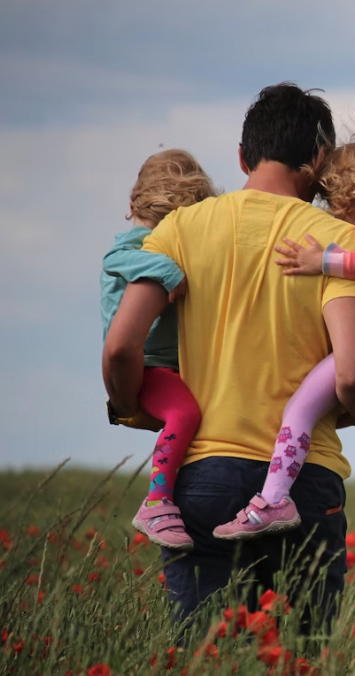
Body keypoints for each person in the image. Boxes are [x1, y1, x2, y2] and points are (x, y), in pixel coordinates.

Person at [102, 83, 355, 633]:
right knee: (300, 658)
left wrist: (131, 404)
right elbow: (352, 375)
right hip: (305, 483)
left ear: (242, 156)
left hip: (203, 476)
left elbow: (119, 346)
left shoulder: (180, 229)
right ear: (320, 160)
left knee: (206, 654)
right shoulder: (338, 244)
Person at [214, 135, 355, 540]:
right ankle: (285, 478)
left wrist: (320, 261)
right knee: (317, 413)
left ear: (352, 191)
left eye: (331, 198)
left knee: (298, 411)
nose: (331, 209)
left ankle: (272, 501)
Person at [101, 149, 216, 550]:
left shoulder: (158, 240)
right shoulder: (138, 244)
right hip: (148, 365)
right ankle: (157, 501)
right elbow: (116, 258)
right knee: (185, 413)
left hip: (169, 366)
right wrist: (168, 270)